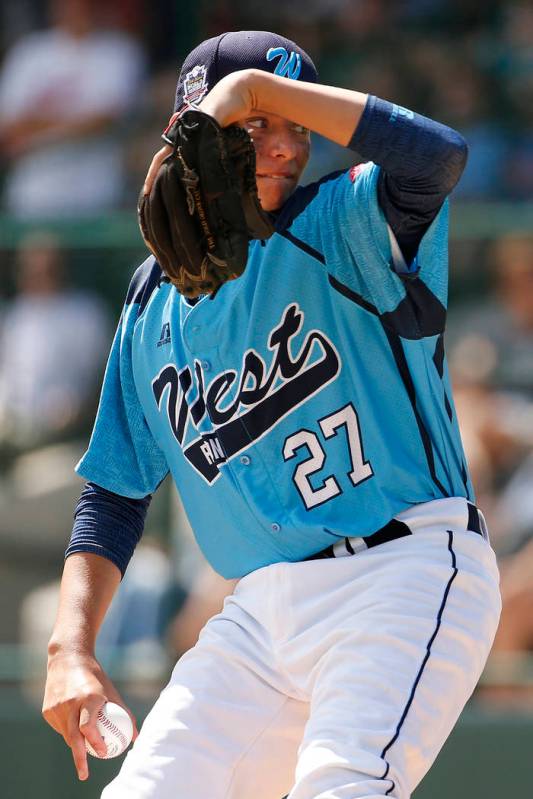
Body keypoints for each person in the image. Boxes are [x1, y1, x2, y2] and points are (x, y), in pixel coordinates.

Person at [42, 30, 501, 799]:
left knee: (344, 784)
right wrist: (71, 644)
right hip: (259, 613)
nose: (286, 146)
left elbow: (438, 157)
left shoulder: (344, 221)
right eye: (256, 127)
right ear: (192, 136)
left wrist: (259, 94)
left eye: (295, 125)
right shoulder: (151, 301)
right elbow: (115, 494)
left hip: (403, 568)